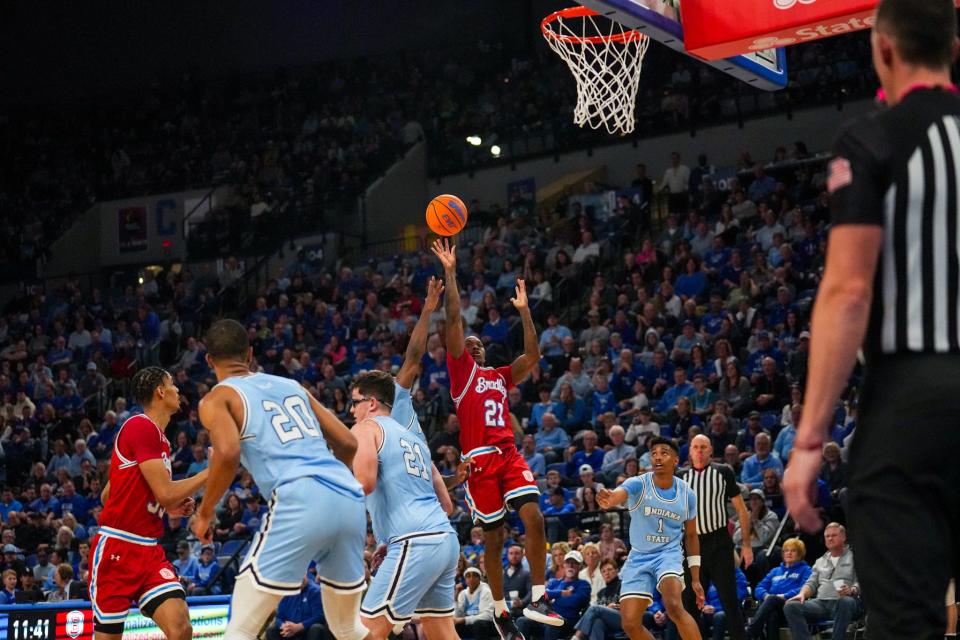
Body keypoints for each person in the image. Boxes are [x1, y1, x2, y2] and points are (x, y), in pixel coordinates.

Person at [782, 3, 960, 639]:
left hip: (911, 400)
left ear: (882, 48)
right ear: (954, 46)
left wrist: (808, 443)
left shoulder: (873, 138)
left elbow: (848, 291)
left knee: (906, 623)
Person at [192, 319, 369, 640]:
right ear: (249, 353)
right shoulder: (292, 386)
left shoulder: (216, 399)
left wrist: (204, 514)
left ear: (208, 360)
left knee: (241, 629)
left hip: (298, 496)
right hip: (347, 494)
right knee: (348, 628)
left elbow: (228, 453)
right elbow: (348, 443)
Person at [432, 238, 562, 639]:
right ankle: (503, 614)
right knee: (494, 540)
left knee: (535, 518)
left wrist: (525, 314)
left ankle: (539, 597)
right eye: (468, 344)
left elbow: (534, 356)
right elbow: (454, 321)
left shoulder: (499, 375)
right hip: (479, 460)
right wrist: (451, 273)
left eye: (478, 344)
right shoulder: (461, 373)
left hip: (507, 454)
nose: (474, 345)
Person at [90, 367, 208, 639]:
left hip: (148, 550)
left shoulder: (161, 440)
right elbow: (164, 492)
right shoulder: (140, 426)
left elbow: (109, 495)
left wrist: (169, 506)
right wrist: (210, 472)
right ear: (160, 391)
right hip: (118, 547)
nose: (178, 390)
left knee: (181, 628)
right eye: (172, 385)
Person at [351, 370, 461, 640]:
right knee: (441, 632)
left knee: (365, 632)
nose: (352, 410)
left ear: (372, 402)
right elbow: (446, 505)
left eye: (355, 402)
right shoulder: (416, 440)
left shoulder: (365, 428)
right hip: (444, 539)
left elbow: (364, 483)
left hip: (415, 540)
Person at [597, 437, 705, 640]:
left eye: (663, 452)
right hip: (638, 556)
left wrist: (696, 578)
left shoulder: (687, 494)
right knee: (629, 623)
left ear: (675, 460)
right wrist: (609, 499)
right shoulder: (638, 483)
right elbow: (618, 494)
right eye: (654, 453)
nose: (657, 457)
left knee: (673, 606)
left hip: (668, 554)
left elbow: (691, 535)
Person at [678, 434, 753, 640]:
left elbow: (741, 510)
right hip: (692, 545)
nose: (700, 451)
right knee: (689, 603)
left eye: (703, 447)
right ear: (690, 451)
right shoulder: (680, 477)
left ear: (711, 450)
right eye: (695, 447)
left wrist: (746, 545)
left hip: (719, 543)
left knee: (730, 602)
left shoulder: (723, 472)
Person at [781, 524, 861, 640]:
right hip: (821, 604)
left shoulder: (855, 558)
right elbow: (811, 583)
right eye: (827, 536)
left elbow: (862, 582)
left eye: (834, 535)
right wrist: (802, 593)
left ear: (843, 537)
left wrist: (852, 589)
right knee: (790, 606)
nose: (830, 538)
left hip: (846, 602)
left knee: (845, 602)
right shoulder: (820, 561)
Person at [516, 550, 591, 640]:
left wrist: (551, 596)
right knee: (522, 621)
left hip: (566, 623)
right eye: (568, 563)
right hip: (546, 620)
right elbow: (539, 597)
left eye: (574, 563)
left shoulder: (583, 585)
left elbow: (574, 602)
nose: (570, 566)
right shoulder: (554, 582)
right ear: (564, 565)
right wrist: (561, 593)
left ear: (580, 567)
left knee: (553, 623)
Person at [748, 538, 812, 640]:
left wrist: (783, 596)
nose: (789, 553)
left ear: (800, 554)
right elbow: (759, 588)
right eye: (786, 550)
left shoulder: (806, 570)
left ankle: (750, 632)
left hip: (791, 605)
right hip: (772, 605)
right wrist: (766, 595)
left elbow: (804, 588)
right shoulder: (775, 571)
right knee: (772, 615)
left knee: (772, 601)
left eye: (793, 550)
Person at [571, 559, 623, 640]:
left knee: (595, 608)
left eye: (609, 569)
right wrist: (606, 609)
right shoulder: (601, 593)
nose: (607, 573)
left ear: (617, 571)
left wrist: (612, 607)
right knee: (597, 623)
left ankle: (576, 637)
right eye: (603, 571)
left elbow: (629, 605)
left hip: (622, 617)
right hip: (607, 622)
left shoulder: (623, 585)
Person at [267, 575, 331, 640]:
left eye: (301, 577)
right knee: (271, 630)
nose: (300, 580)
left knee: (316, 628)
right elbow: (279, 617)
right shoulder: (286, 592)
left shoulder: (316, 591)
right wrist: (284, 627)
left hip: (306, 630)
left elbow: (320, 616)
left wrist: (299, 626)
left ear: (306, 573)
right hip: (289, 631)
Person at [454, 567, 495, 639]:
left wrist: (464, 620)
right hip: (471, 624)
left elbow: (487, 616)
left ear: (479, 578)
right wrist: (456, 599)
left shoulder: (486, 591)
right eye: (468, 576)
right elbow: (458, 615)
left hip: (487, 625)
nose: (471, 578)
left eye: (474, 576)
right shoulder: (463, 593)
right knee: (455, 625)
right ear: (465, 579)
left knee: (478, 624)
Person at [504, 544, 532, 618]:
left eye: (517, 553)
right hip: (503, 607)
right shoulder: (501, 573)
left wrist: (522, 602)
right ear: (507, 555)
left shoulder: (527, 574)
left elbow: (531, 592)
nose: (514, 556)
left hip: (519, 609)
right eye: (511, 553)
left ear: (522, 555)